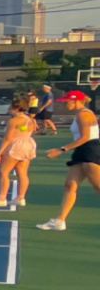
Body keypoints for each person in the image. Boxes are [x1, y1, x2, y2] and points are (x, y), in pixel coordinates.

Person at [37, 89, 98, 232]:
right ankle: (59, 221)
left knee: (98, 187)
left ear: (75, 100)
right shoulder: (80, 114)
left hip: (91, 150)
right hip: (81, 151)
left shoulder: (84, 114)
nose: (65, 104)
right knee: (69, 185)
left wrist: (61, 149)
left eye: (66, 101)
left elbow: (85, 137)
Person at [0, 98, 37, 208]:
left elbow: (8, 138)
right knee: (22, 173)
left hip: (15, 147)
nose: (9, 109)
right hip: (28, 145)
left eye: (10, 106)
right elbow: (19, 133)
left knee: (3, 172)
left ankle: (1, 198)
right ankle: (20, 198)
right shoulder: (29, 119)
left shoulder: (13, 120)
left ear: (16, 108)